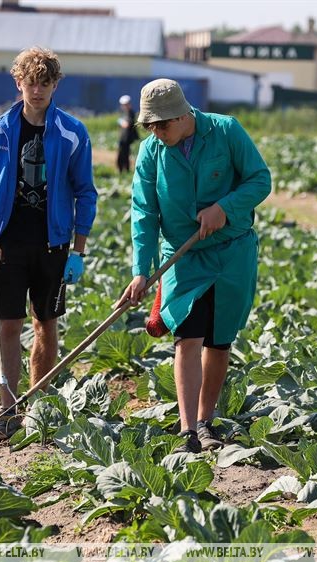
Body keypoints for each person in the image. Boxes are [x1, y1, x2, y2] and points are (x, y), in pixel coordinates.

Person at [118, 79, 271, 453]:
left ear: (182, 115)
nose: (156, 132)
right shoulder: (151, 151)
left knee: (219, 340)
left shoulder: (225, 130)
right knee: (187, 338)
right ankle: (187, 431)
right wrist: (141, 270)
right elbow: (144, 212)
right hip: (183, 257)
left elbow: (260, 180)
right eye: (150, 126)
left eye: (162, 125)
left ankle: (206, 422)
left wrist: (225, 209)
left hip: (232, 253)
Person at [0, 46, 98, 441]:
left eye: (45, 83)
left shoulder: (72, 132)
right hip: (7, 242)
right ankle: (8, 407)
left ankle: (38, 406)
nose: (38, 90)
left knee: (46, 324)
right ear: (18, 83)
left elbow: (85, 193)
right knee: (8, 324)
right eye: (31, 82)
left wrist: (78, 251)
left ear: (56, 85)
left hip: (52, 245)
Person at [116, 94, 138, 173]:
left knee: (126, 154)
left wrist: (121, 121)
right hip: (122, 137)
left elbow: (127, 124)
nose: (124, 106)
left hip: (128, 138)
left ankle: (126, 170)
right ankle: (120, 169)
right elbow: (121, 123)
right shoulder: (122, 112)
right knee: (120, 154)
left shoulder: (131, 113)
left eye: (126, 104)